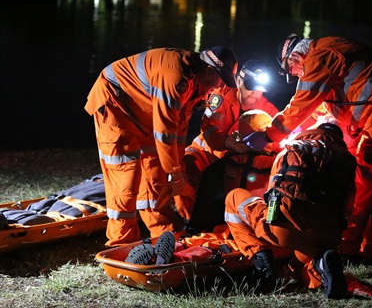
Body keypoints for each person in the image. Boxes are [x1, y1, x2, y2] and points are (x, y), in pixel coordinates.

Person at [244, 34, 372, 259]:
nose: (297, 75)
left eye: (294, 71)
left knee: (361, 185)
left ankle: (347, 248)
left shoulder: (320, 58)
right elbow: (321, 107)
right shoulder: (334, 50)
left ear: (296, 57)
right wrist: (297, 132)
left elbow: (302, 104)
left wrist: (269, 135)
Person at [84, 46, 238, 247]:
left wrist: (179, 169)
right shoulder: (175, 77)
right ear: (209, 70)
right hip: (115, 105)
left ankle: (164, 231)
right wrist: (174, 174)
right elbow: (164, 132)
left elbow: (179, 130)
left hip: (144, 113)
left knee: (156, 173)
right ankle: (121, 241)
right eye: (218, 80)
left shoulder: (196, 84)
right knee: (126, 176)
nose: (218, 86)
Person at [225, 123, 356, 298]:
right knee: (307, 257)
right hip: (325, 237)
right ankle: (322, 260)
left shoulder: (292, 149)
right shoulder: (348, 163)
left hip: (286, 228)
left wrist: (271, 221)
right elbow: (347, 209)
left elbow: (272, 193)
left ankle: (262, 259)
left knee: (233, 199)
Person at [176, 60, 279, 223]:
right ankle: (188, 223)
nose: (255, 93)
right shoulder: (220, 96)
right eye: (250, 87)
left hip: (236, 159)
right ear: (238, 81)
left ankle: (239, 222)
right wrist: (227, 142)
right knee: (186, 171)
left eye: (259, 89)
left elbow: (276, 137)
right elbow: (209, 128)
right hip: (208, 152)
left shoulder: (268, 109)